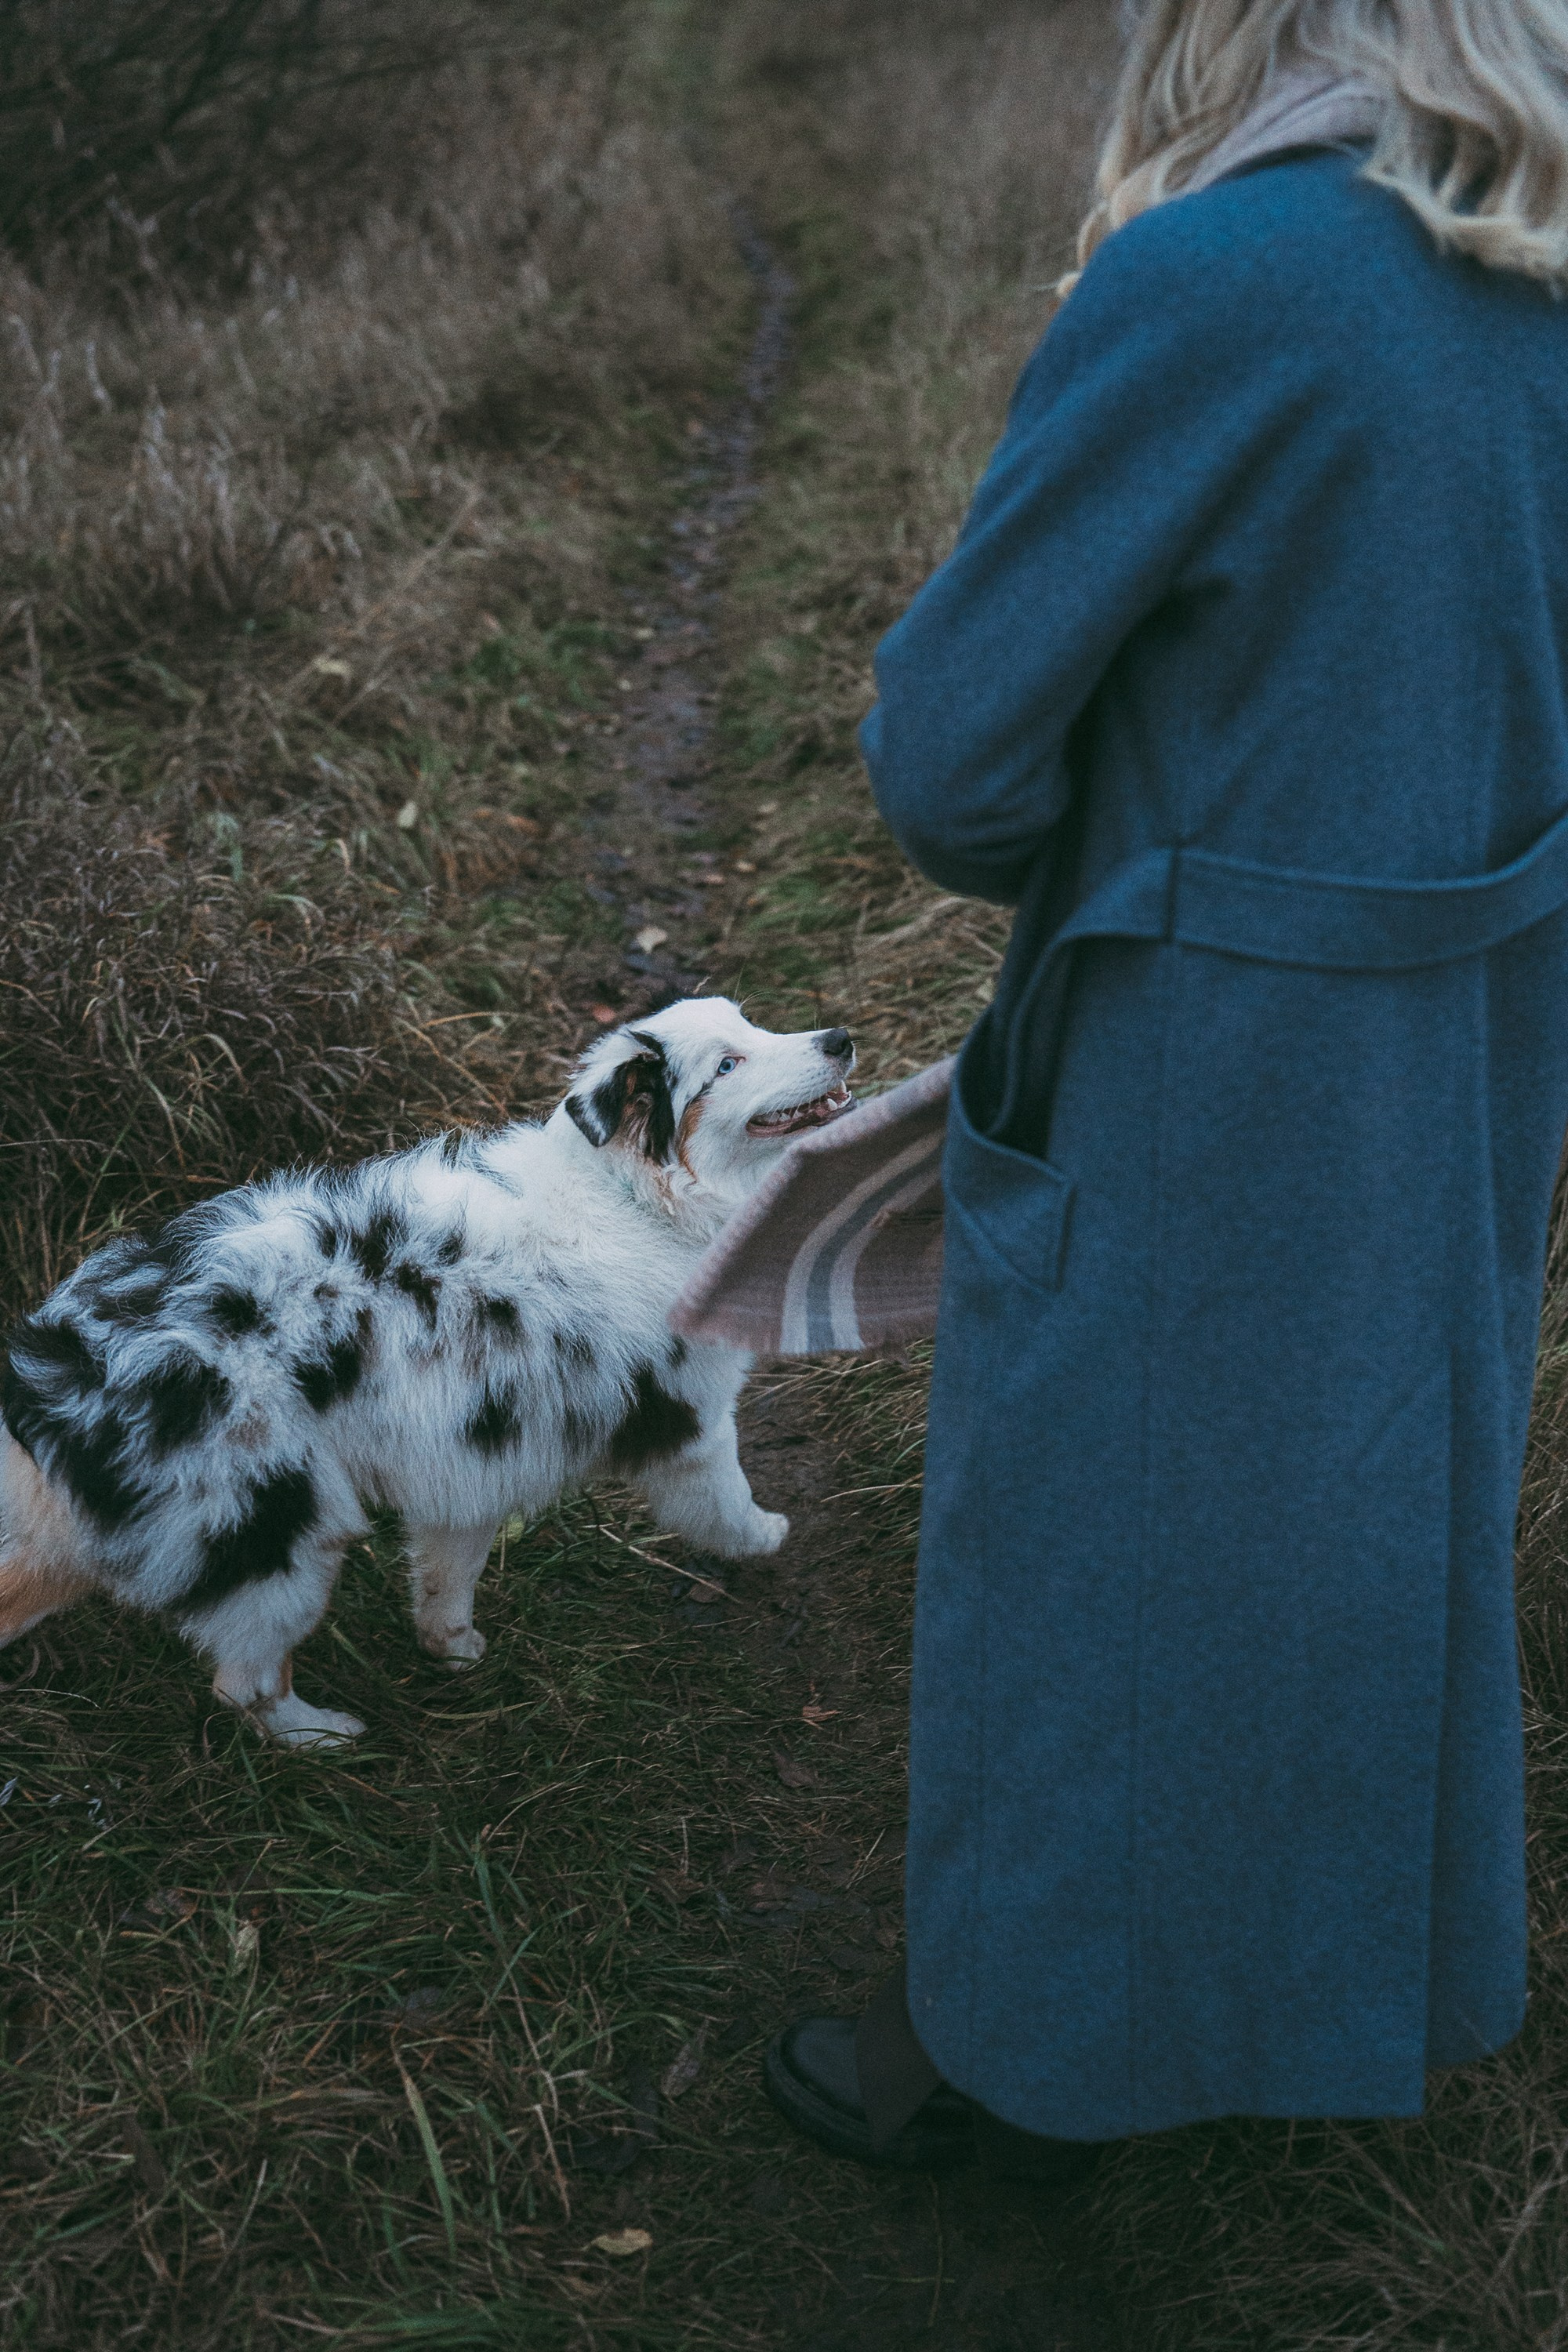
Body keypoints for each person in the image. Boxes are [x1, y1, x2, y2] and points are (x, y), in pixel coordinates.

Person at [762, 0, 1568, 2177]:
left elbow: (952, 760)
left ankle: (1026, 2046)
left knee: (1102, 1541)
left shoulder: (1221, 273)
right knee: (1381, 1500)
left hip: (1209, 1046)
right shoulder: (1550, 252)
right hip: (1481, 1023)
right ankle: (1347, 1991)